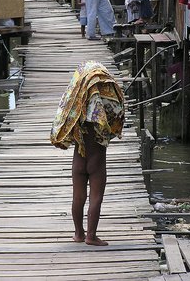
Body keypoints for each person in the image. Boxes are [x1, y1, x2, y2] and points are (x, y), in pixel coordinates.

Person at [50, 61, 125, 245]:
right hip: (96, 159)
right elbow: (115, 120)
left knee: (78, 197)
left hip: (79, 159)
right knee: (96, 197)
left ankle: (78, 233)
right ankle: (91, 236)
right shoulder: (102, 111)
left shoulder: (78, 110)